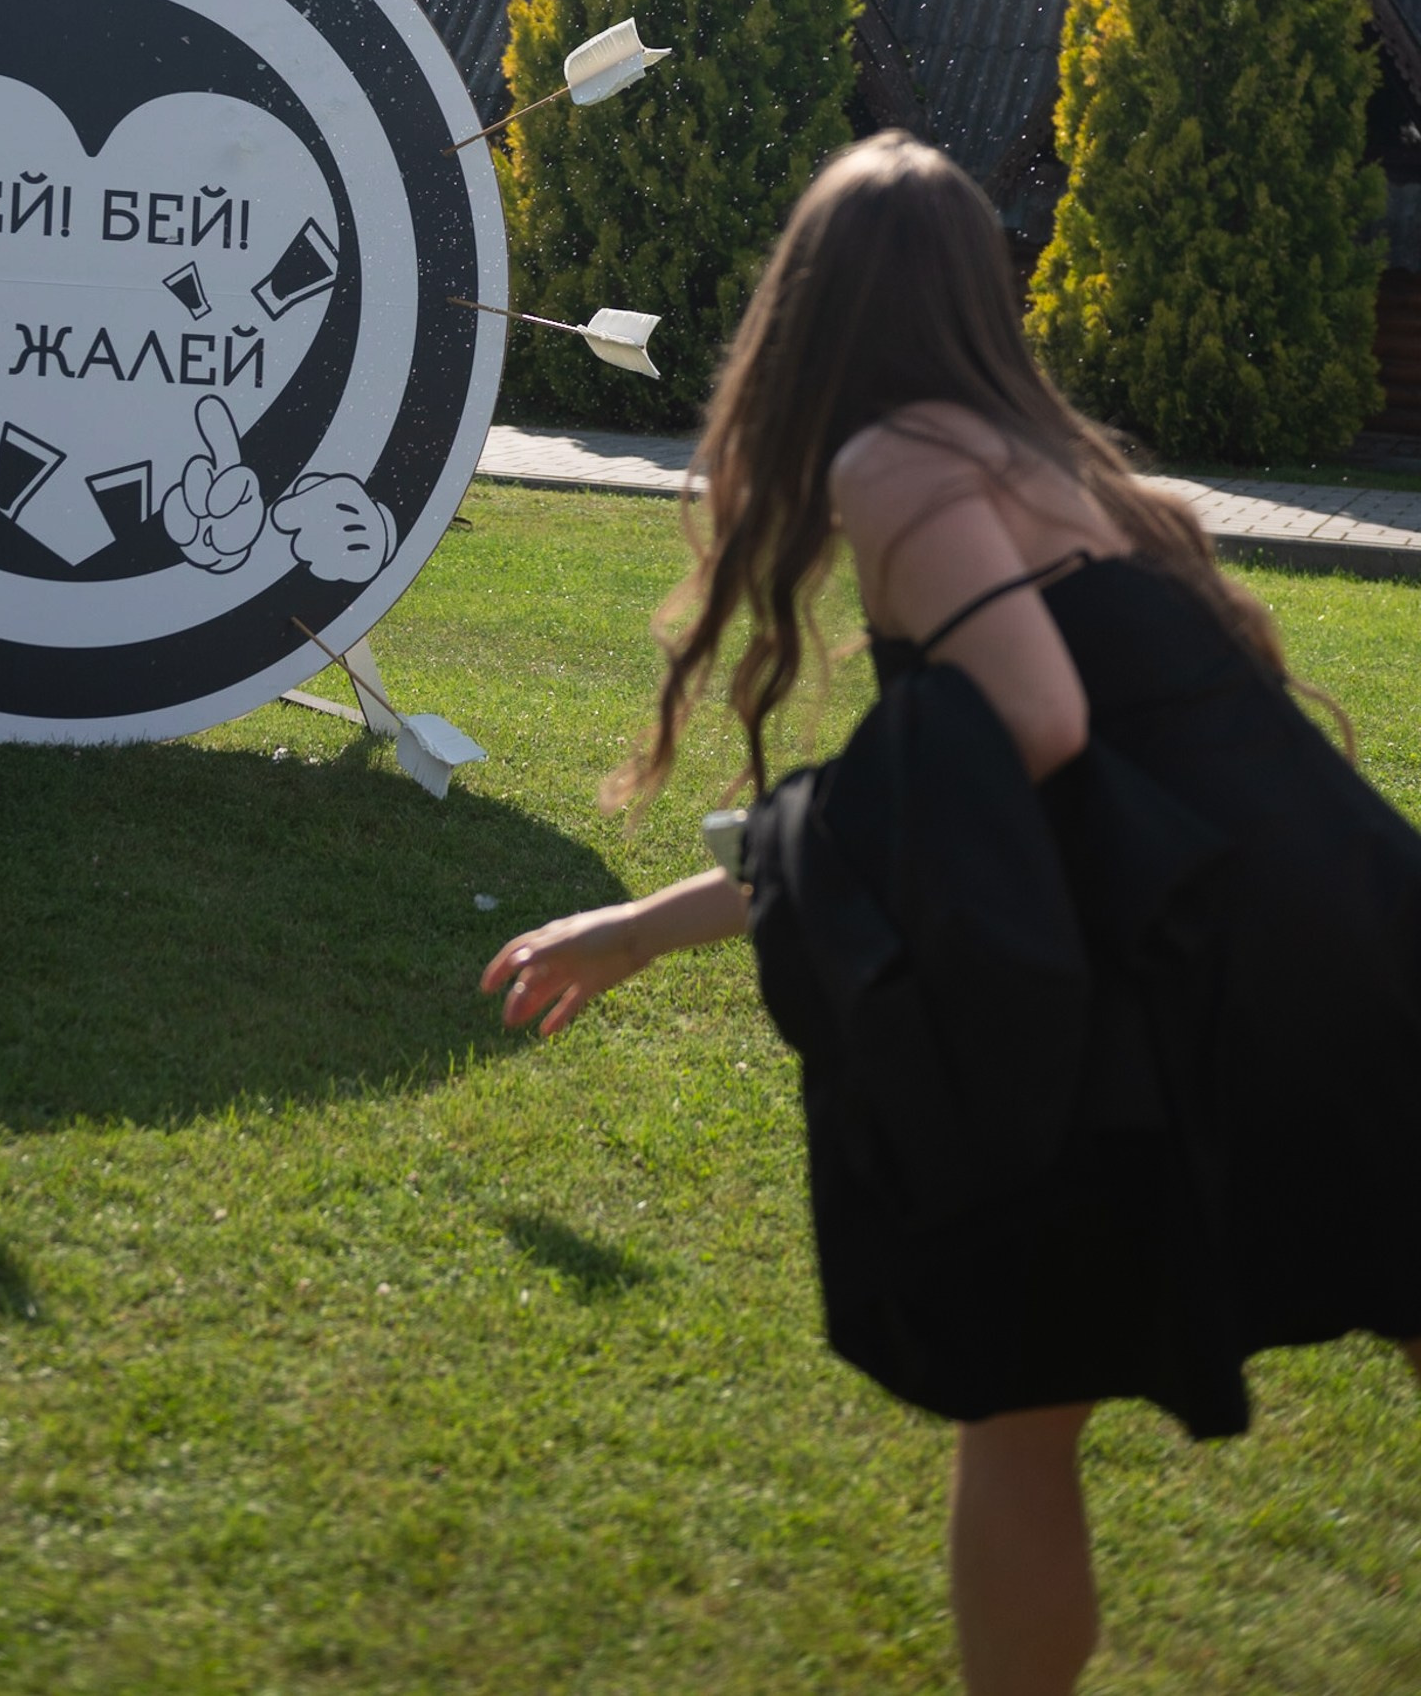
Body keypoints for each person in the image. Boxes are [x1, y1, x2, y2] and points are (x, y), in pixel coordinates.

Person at [482, 132, 1421, 1696]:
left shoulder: (894, 463)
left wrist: (642, 924)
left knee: (1022, 1383)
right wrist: (645, 927)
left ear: (810, 303)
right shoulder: (1049, 465)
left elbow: (1029, 734)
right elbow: (980, 790)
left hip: (1226, 948)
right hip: (1330, 915)